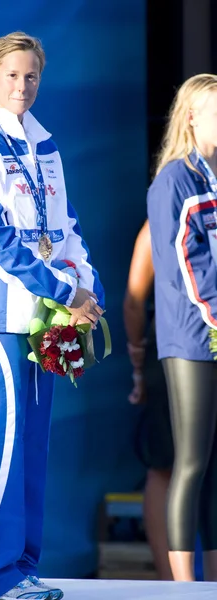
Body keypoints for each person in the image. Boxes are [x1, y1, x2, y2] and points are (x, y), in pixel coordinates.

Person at [0, 32, 105, 600]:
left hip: (48, 315)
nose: (22, 85)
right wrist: (66, 288)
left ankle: (22, 568)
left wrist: (89, 288)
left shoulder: (46, 145)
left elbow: (67, 229)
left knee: (33, 443)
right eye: (11, 75)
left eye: (31, 75)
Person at [147, 73, 217, 582]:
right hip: (192, 338)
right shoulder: (174, 179)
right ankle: (183, 587)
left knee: (215, 468)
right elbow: (181, 265)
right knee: (190, 462)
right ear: (191, 116)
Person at [123, 219, 174, 580]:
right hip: (174, 353)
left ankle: (176, 581)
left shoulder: (162, 208)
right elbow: (134, 300)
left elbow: (134, 301)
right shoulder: (163, 208)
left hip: (172, 349)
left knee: (166, 467)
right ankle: (175, 582)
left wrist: (138, 363)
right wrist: (140, 363)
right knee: (165, 465)